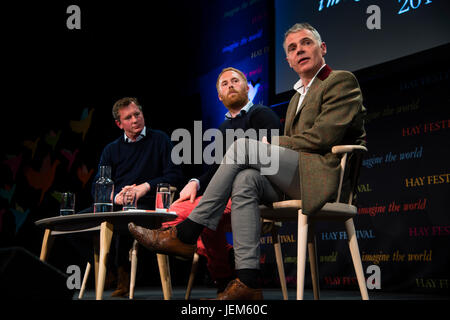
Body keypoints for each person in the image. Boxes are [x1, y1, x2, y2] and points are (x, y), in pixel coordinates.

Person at [129, 22, 367, 299]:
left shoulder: (341, 81)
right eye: (292, 48)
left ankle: (185, 233)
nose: (299, 50)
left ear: (322, 48)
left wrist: (271, 144)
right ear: (288, 61)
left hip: (322, 178)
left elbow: (324, 137)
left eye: (306, 43)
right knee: (244, 179)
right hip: (293, 176)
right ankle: (248, 281)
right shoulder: (295, 100)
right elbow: (226, 165)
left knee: (243, 148)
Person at [162, 67, 281, 292]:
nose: (230, 86)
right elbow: (216, 169)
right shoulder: (223, 127)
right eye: (224, 84)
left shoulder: (263, 114)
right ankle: (224, 277)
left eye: (235, 81)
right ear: (219, 96)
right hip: (223, 195)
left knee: (196, 216)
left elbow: (273, 159)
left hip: (254, 191)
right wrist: (195, 181)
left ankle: (219, 266)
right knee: (176, 209)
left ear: (247, 87)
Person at [91, 97, 183, 296]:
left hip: (148, 202)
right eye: (128, 117)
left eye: (137, 114)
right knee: (77, 225)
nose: (135, 120)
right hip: (119, 204)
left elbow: (174, 174)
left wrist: (145, 187)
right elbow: (97, 183)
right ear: (119, 123)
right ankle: (109, 269)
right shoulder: (111, 149)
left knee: (124, 222)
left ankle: (123, 277)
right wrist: (116, 197)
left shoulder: (160, 139)